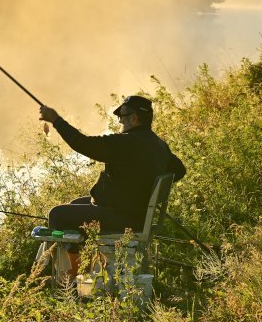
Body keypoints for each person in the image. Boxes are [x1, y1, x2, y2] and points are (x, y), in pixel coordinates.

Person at [38, 95, 186, 234]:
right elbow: (179, 170)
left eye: (122, 116)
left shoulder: (124, 143)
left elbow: (83, 144)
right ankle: (87, 258)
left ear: (134, 118)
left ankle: (72, 262)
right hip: (134, 213)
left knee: (57, 215)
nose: (120, 121)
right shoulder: (158, 144)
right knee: (75, 203)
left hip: (123, 218)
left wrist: (56, 120)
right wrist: (145, 188)